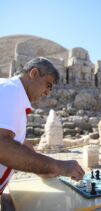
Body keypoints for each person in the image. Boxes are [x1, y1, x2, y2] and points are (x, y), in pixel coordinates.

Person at [0, 57, 85, 194]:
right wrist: (57, 166)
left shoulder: (14, 93)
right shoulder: (11, 91)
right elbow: (3, 146)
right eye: (48, 85)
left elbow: (17, 141)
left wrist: (42, 168)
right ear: (34, 74)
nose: (47, 93)